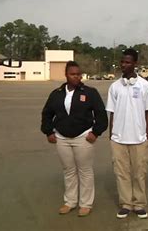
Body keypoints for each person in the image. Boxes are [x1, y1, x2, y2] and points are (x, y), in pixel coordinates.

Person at [41, 61, 108, 217]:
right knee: (69, 171)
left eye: (78, 74)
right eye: (73, 74)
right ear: (66, 75)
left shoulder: (90, 92)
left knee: (85, 171)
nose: (76, 77)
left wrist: (95, 133)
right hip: (61, 138)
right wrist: (48, 132)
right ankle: (70, 202)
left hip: (83, 137)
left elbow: (101, 115)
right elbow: (47, 114)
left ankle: (85, 204)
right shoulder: (56, 94)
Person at [106, 48, 148, 220]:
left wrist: (147, 136)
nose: (124, 65)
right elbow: (111, 112)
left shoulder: (145, 85)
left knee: (139, 173)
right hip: (118, 139)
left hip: (139, 138)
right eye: (122, 61)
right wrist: (111, 134)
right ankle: (126, 204)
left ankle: (139, 204)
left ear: (135, 63)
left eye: (128, 62)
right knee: (122, 173)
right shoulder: (114, 86)